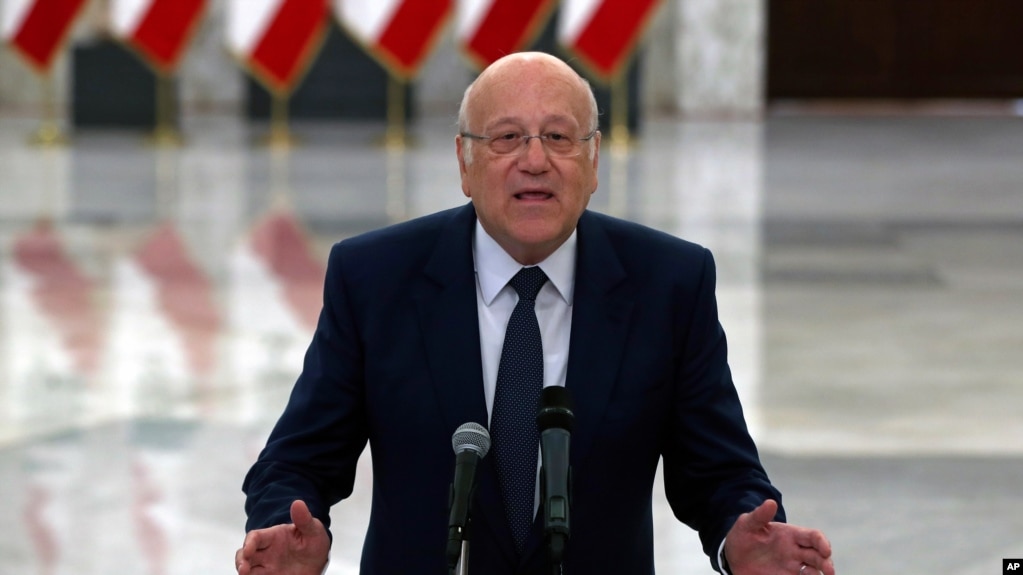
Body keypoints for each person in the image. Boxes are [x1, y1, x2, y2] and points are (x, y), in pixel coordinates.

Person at [236, 51, 835, 575]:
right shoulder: (376, 277)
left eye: (558, 136)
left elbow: (718, 470)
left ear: (594, 160)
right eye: (505, 138)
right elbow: (297, 460)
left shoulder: (668, 283)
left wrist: (740, 538)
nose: (535, 160)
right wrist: (284, 526)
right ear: (464, 163)